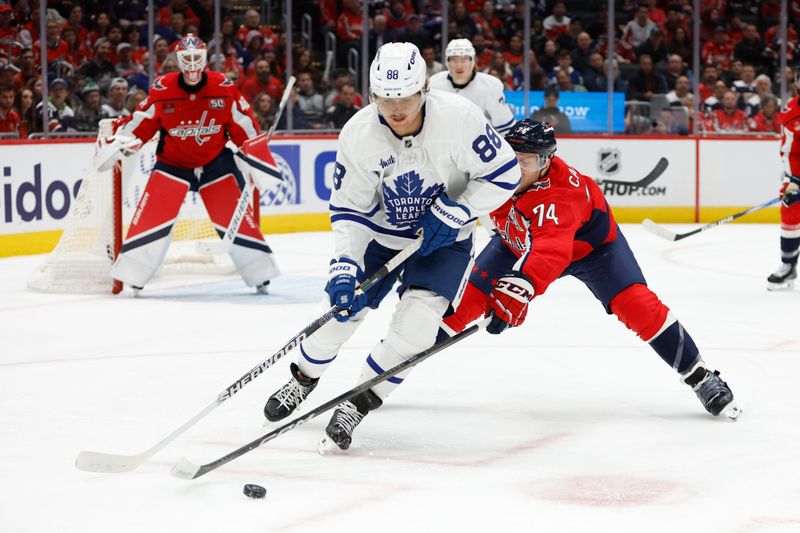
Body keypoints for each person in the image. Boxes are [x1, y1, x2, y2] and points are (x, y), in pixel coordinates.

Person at [262, 42, 521, 451]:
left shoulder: (459, 118)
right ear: (372, 95)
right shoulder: (359, 133)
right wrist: (345, 264)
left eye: (406, 97)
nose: (397, 108)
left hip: (445, 242)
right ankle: (302, 380)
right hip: (383, 238)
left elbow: (505, 174)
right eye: (386, 98)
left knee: (417, 328)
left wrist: (460, 210)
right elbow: (349, 207)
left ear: (423, 91)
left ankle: (358, 402)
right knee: (342, 313)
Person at [442, 119, 741, 421]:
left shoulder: (562, 193)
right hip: (518, 241)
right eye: (513, 158)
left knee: (637, 305)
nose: (516, 169)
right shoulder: (493, 171)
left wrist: (521, 287)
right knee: (459, 303)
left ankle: (700, 375)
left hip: (594, 250)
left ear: (546, 161)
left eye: (526, 162)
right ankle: (397, 361)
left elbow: (551, 252)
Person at [99, 34, 280, 294]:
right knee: (153, 216)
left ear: (205, 59)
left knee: (234, 217)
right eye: (187, 58)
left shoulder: (223, 87)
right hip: (173, 163)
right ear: (179, 61)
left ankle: (259, 271)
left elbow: (243, 123)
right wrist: (120, 141)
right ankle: (134, 273)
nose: (193, 63)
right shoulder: (163, 89)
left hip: (215, 162)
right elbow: (142, 121)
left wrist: (255, 153)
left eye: (197, 57)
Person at [429, 39, 515, 135]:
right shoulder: (435, 84)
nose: (459, 66)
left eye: (463, 60)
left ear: (472, 61)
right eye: (454, 60)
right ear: (447, 62)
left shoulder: (490, 86)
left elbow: (506, 127)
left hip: (480, 145)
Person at [767, 74, 800, 290]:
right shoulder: (792, 112)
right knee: (790, 209)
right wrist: (792, 179)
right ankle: (788, 266)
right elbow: (788, 151)